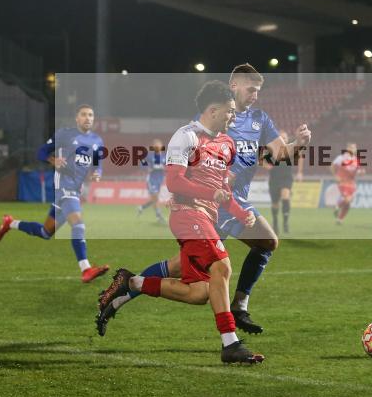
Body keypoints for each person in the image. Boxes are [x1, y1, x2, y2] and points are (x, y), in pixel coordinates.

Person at [96, 64, 311, 336]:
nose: (256, 95)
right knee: (265, 243)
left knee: (176, 266)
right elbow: (193, 156)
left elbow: (281, 154)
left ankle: (123, 292)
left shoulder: (261, 119)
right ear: (234, 86)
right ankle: (236, 315)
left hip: (233, 200)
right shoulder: (217, 116)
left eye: (259, 90)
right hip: (216, 203)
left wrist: (300, 143)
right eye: (252, 89)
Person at [97, 81, 263, 364]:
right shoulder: (185, 137)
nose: (233, 117)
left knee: (200, 293)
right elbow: (174, 181)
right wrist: (211, 193)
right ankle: (230, 343)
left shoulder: (227, 144)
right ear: (213, 110)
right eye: (230, 112)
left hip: (207, 216)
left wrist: (239, 213)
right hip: (187, 215)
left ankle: (132, 283)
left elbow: (223, 191)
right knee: (221, 266)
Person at [0, 104, 110, 283]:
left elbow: (97, 164)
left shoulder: (97, 141)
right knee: (78, 225)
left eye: (91, 115)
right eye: (84, 115)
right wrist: (52, 159)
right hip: (64, 186)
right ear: (77, 118)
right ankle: (86, 268)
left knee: (45, 231)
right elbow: (41, 152)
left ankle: (10, 223)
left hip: (75, 190)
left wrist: (98, 173)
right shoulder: (64, 134)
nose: (88, 118)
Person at [265, 130, 299, 235]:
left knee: (285, 196)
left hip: (286, 178)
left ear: (287, 139)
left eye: (284, 138)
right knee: (275, 204)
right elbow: (263, 162)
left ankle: (285, 222)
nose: (283, 139)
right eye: (281, 138)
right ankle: (275, 222)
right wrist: (267, 166)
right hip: (274, 179)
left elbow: (300, 157)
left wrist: (300, 172)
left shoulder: (291, 150)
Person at [331, 143, 364, 225]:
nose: (354, 149)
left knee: (348, 203)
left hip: (352, 183)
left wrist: (361, 172)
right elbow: (332, 166)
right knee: (348, 199)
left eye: (355, 148)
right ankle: (337, 206)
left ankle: (340, 219)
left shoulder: (356, 160)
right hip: (343, 182)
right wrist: (335, 176)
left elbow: (357, 171)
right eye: (352, 147)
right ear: (348, 148)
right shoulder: (341, 158)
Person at [136, 138, 166, 223]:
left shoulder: (163, 156)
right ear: (153, 147)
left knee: (154, 199)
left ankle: (142, 207)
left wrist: (165, 168)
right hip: (151, 179)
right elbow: (142, 162)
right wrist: (147, 168)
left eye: (159, 145)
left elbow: (168, 166)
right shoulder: (150, 155)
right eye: (156, 146)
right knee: (156, 197)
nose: (158, 147)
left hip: (160, 178)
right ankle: (159, 216)